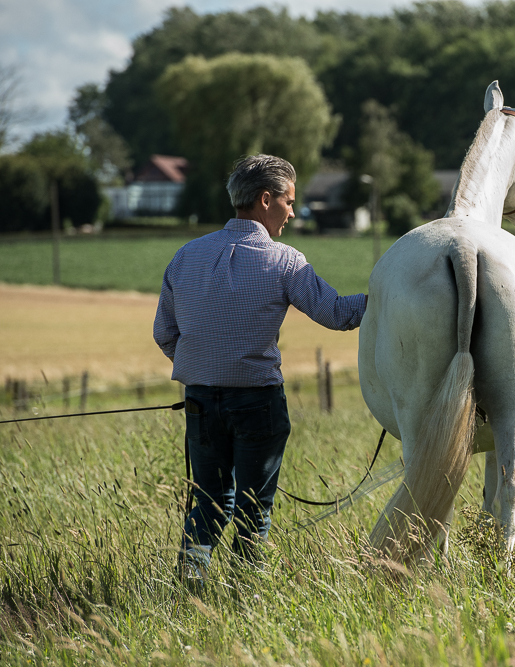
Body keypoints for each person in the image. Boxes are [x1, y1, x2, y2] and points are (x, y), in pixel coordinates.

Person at [153, 154, 366, 578]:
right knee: (254, 512)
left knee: (209, 504)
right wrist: (390, 295)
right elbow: (339, 314)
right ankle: (243, 597)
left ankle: (188, 588)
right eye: (289, 201)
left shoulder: (185, 256)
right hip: (258, 404)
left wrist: (206, 368)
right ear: (265, 200)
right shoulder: (285, 261)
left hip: (198, 402)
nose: (292, 212)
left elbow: (165, 334)